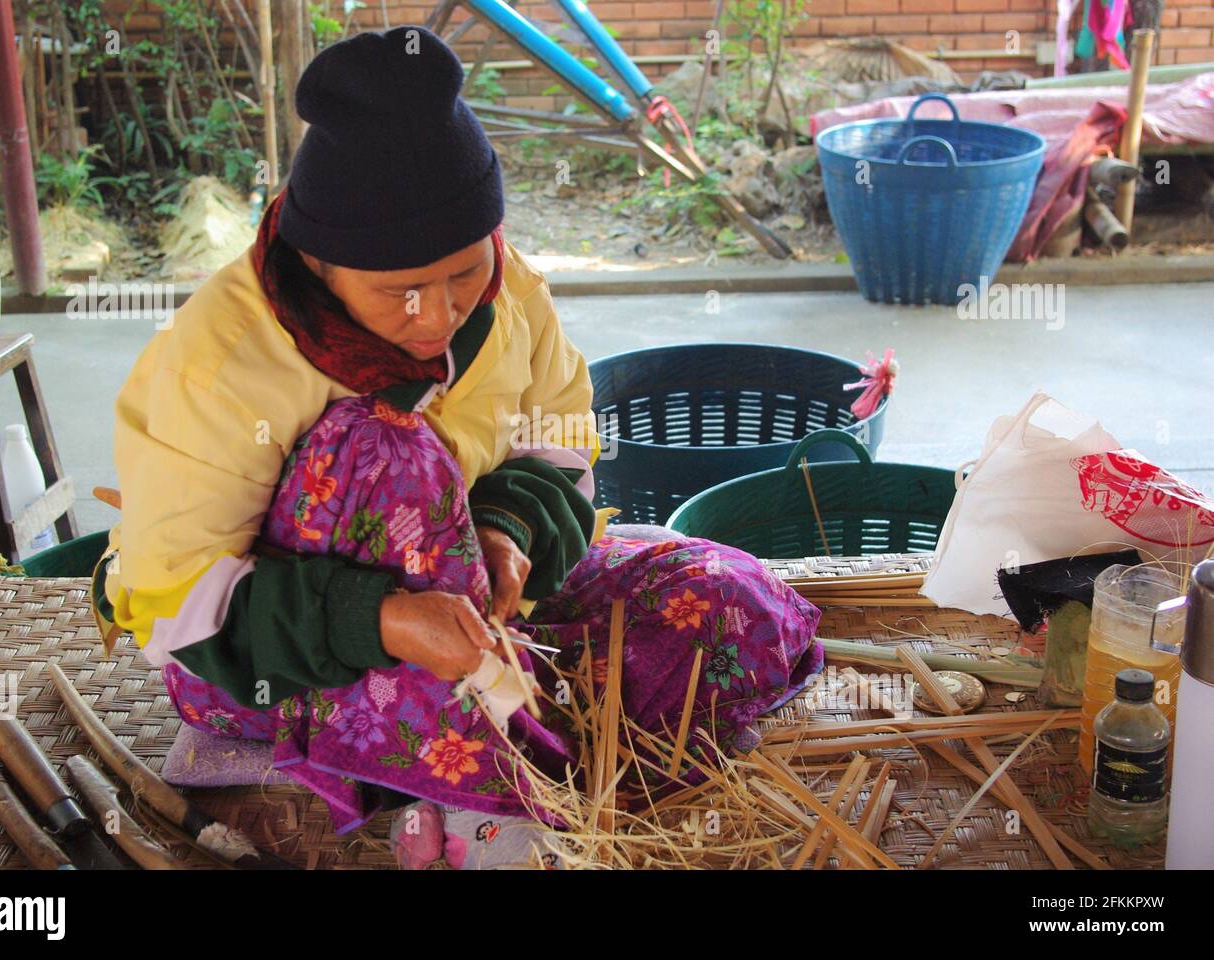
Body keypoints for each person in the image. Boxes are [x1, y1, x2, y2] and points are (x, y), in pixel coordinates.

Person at [92, 26, 822, 870]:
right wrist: (387, 620)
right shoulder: (219, 362)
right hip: (274, 659)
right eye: (399, 291)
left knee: (729, 600)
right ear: (320, 263)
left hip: (482, 626)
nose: (438, 317)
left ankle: (454, 760)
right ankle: (478, 793)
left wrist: (513, 531)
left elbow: (561, 446)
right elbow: (180, 603)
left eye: (462, 275)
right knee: (384, 446)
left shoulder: (510, 294)